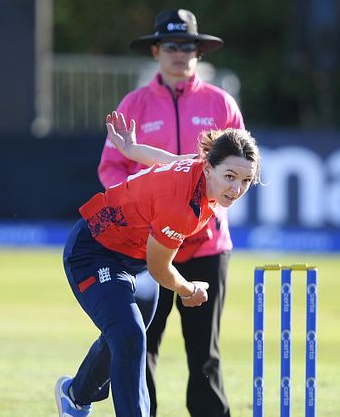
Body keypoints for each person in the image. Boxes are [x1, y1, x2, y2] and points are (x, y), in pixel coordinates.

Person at [55, 111, 260, 417]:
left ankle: (74, 395)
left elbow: (167, 158)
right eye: (230, 176)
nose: (236, 188)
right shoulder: (181, 207)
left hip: (133, 259)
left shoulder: (198, 168)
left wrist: (133, 150)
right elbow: (160, 269)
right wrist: (187, 288)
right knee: (129, 335)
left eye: (246, 180)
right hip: (94, 251)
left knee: (123, 336)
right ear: (208, 167)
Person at [97, 8, 244, 417]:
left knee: (205, 356)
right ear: (157, 51)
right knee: (142, 346)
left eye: (188, 47)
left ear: (198, 53)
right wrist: (140, 216)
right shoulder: (135, 103)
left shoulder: (221, 104)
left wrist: (209, 208)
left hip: (207, 247)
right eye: (172, 46)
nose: (181, 54)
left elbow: (238, 169)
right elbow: (112, 168)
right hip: (147, 247)